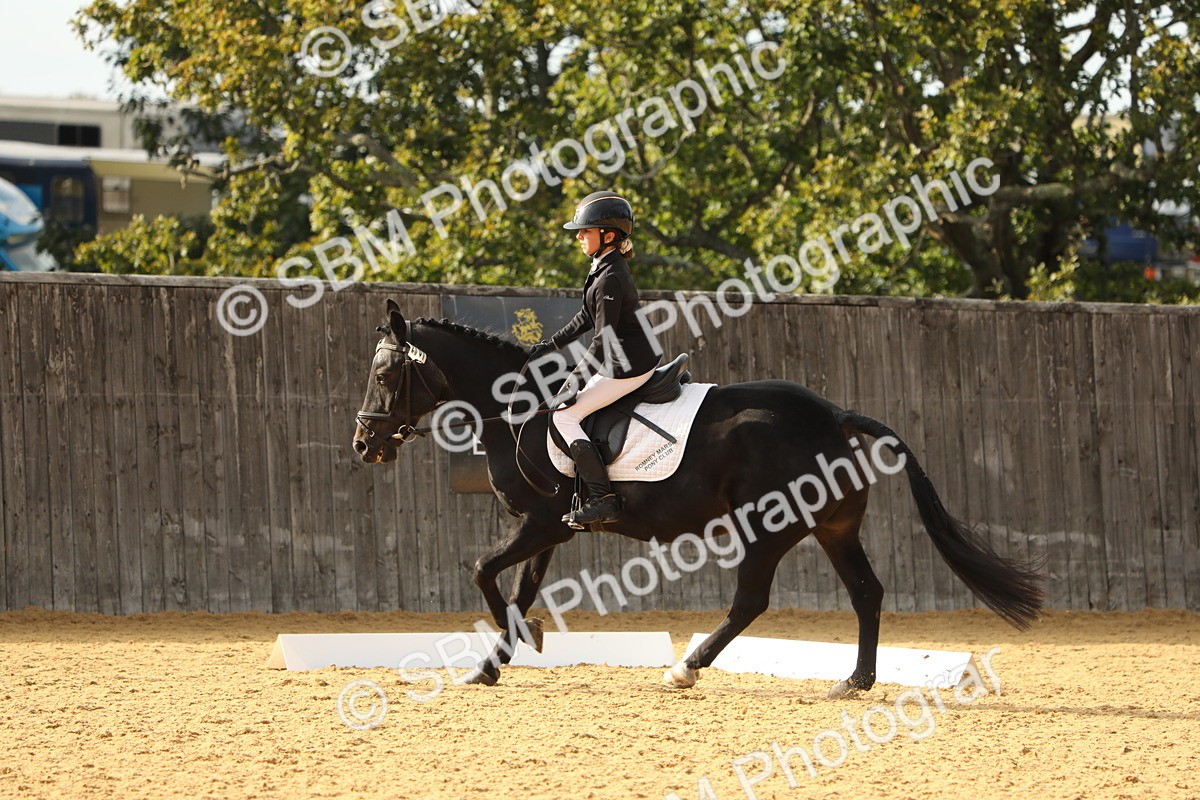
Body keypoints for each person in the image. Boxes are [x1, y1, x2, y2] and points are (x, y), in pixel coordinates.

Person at [528, 191, 661, 526]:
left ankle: (602, 498)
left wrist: (573, 385)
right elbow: (586, 317)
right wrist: (550, 344)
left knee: (564, 417)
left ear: (609, 236)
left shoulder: (612, 276)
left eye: (584, 231)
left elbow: (603, 341)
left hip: (631, 368)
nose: (578, 236)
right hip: (622, 361)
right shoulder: (604, 268)